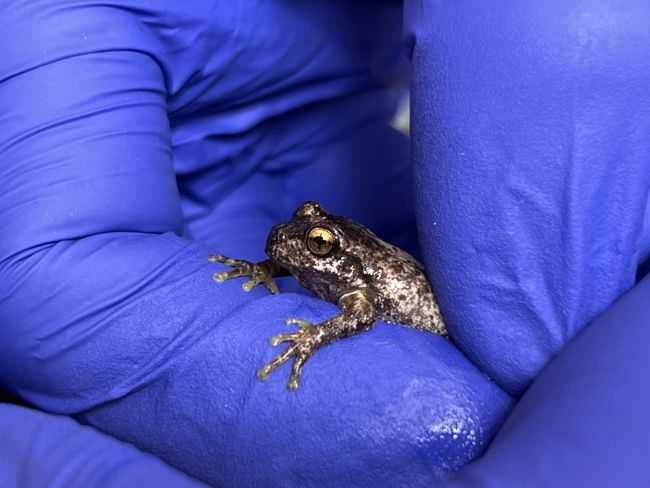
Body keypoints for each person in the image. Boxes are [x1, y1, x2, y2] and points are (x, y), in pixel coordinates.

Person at [1, 1, 648, 487]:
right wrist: (266, 266)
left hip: (445, 321)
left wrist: (311, 335)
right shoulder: (309, 256)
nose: (293, 244)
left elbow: (361, 309)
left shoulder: (354, 280)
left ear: (336, 251)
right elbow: (300, 262)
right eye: (305, 232)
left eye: (315, 241)